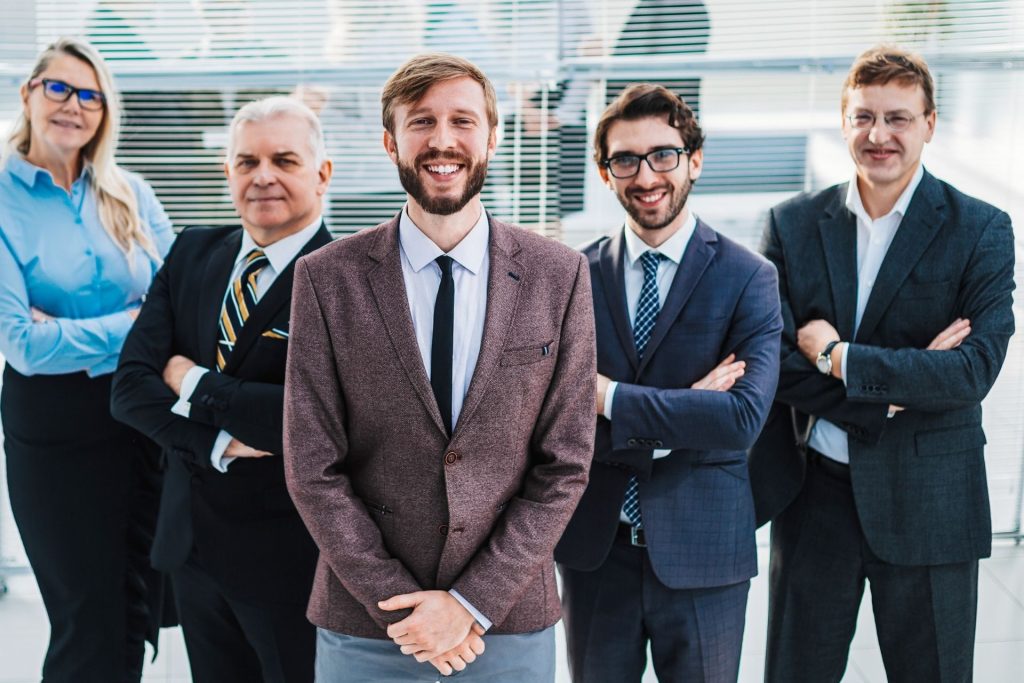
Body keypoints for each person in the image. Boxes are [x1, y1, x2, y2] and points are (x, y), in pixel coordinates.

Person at [283, 53, 596, 682]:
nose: (443, 140)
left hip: (505, 623)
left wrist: (471, 603)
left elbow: (566, 462)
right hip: (369, 624)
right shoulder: (325, 278)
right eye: (421, 121)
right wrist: (402, 606)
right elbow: (312, 467)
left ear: (493, 135)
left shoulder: (558, 275)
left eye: (462, 120)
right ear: (390, 140)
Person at [755, 45, 1016, 682]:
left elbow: (970, 372)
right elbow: (773, 366)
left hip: (931, 500)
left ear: (930, 123)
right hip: (815, 496)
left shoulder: (981, 229)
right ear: (843, 121)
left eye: (898, 118)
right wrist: (895, 390)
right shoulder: (790, 224)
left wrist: (837, 357)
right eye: (863, 116)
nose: (879, 135)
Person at [555, 84, 782, 682]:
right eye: (624, 160)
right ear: (605, 174)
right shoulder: (570, 277)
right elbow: (552, 419)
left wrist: (608, 398)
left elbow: (740, 420)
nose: (645, 174)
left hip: (706, 552)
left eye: (663, 154)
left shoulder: (749, 277)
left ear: (694, 159)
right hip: (597, 552)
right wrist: (686, 411)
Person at [111, 97, 331, 682]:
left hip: (294, 561)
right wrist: (220, 443)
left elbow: (314, 419)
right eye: (246, 161)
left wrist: (195, 381)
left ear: (322, 173)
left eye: (284, 159)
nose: (263, 175)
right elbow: (130, 388)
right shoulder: (191, 253)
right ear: (226, 173)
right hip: (195, 549)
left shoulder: (346, 277)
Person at [0, 37, 174, 682]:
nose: (74, 105)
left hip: (143, 416)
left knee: (140, 600)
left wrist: (85, 327)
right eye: (60, 89)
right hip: (57, 427)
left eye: (91, 96)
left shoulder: (129, 191)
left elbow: (175, 302)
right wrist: (134, 323)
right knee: (86, 611)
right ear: (30, 93)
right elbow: (23, 344)